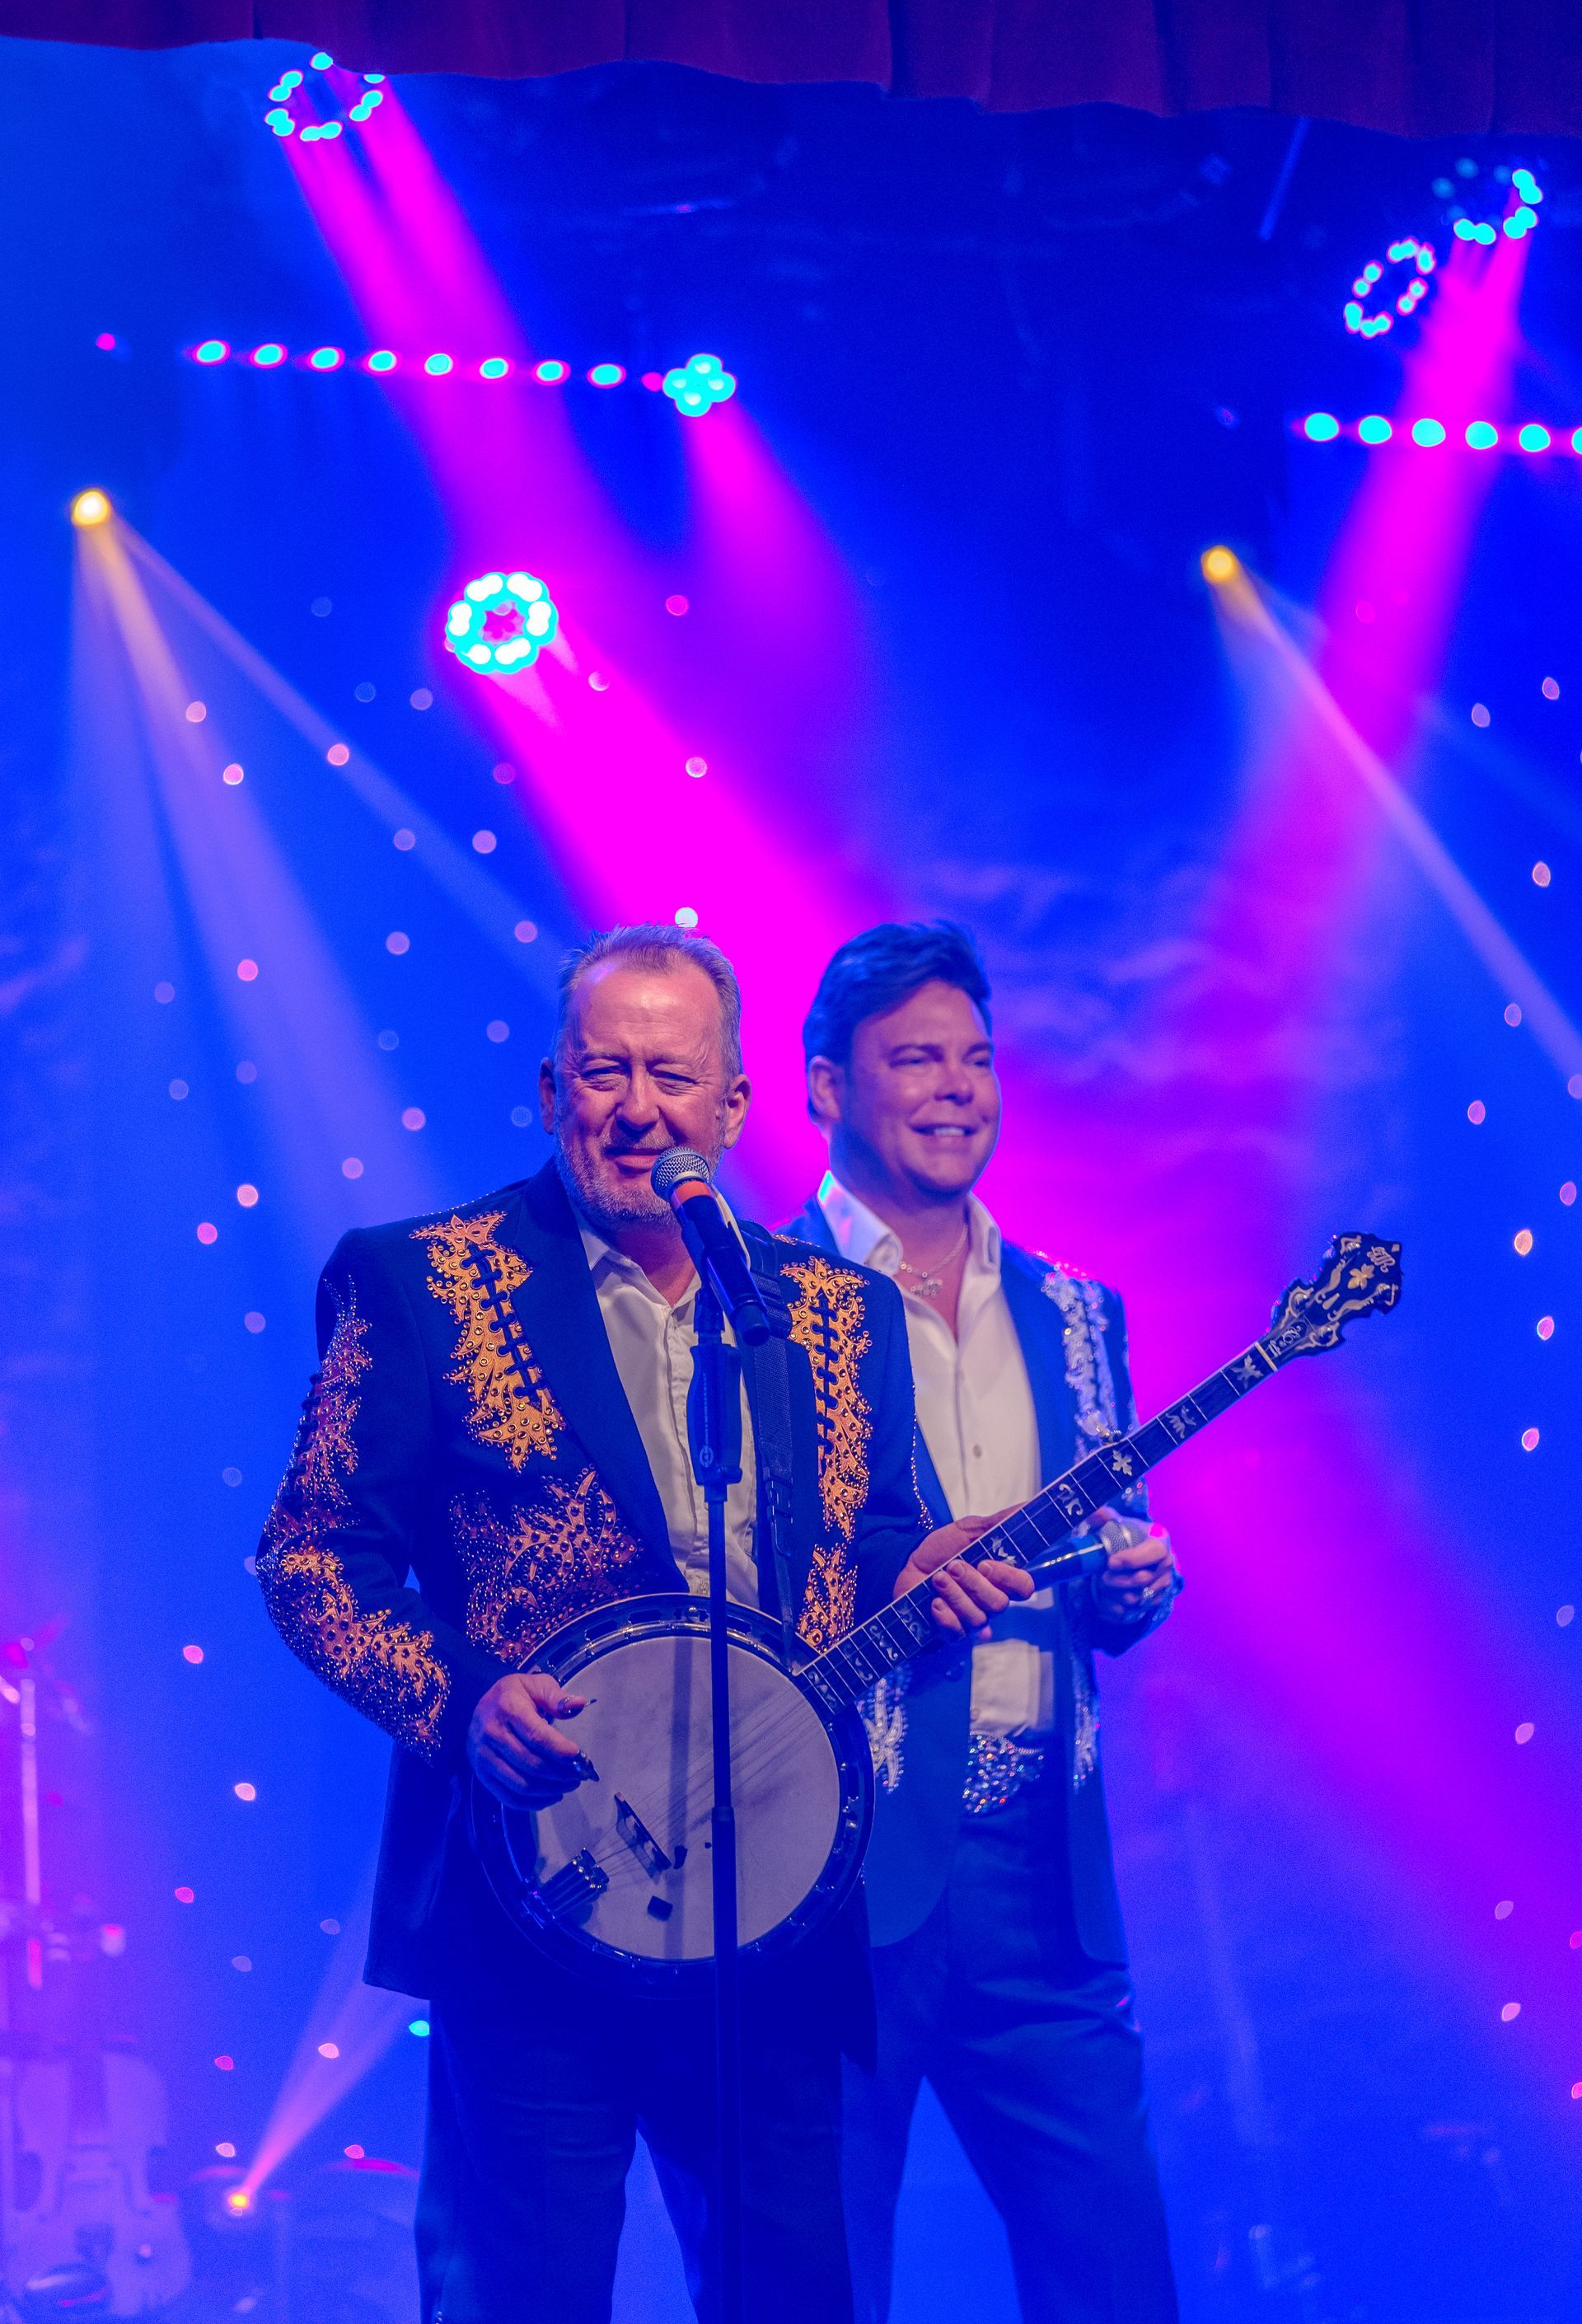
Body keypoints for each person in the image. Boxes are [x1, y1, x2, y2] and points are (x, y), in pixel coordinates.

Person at [256, 922, 1030, 2324]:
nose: (637, 1109)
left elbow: (865, 1542)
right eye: (602, 1073)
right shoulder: (421, 1283)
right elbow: (310, 1559)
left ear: (733, 1108)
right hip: (534, 1901)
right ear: (551, 1093)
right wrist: (458, 1703)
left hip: (775, 1905)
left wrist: (928, 1569)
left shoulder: (832, 1314)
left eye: (672, 1077)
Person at [784, 920, 1181, 2324]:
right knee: (816, 2284)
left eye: (976, 1060)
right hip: (835, 1873)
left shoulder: (1079, 1315)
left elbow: (1104, 1550)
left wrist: (1133, 1588)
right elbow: (718, 1583)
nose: (957, 1088)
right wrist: (887, 1586)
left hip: (1041, 1880)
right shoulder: (756, 1307)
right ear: (828, 1088)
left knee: (1115, 2278)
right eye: (914, 1060)